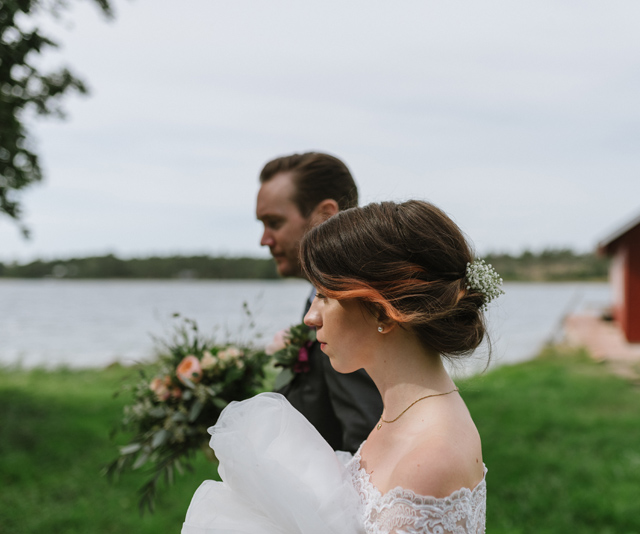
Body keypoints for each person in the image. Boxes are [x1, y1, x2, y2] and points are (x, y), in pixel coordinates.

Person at [183, 200, 497, 534]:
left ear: (380, 311)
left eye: (324, 295)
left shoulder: (430, 458)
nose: (310, 317)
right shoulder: (404, 414)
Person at [256, 152, 382, 453]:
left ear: (326, 215)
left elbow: (367, 439)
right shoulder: (324, 295)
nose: (264, 239)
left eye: (274, 222)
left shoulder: (351, 307)